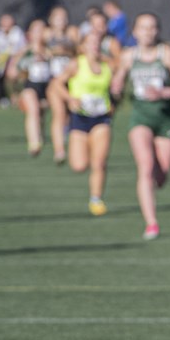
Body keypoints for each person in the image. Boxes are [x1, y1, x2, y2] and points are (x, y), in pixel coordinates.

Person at [111, 12, 170, 240]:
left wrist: (165, 92)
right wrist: (116, 85)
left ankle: (153, 198)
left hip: (165, 119)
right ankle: (151, 223)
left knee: (161, 177)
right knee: (145, 167)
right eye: (143, 28)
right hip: (140, 119)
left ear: (158, 30)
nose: (148, 32)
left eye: (152, 27)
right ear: (135, 32)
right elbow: (117, 80)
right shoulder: (128, 56)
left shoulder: (166, 54)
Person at [49, 31, 114, 216]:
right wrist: (70, 98)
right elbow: (56, 84)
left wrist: (113, 102)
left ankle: (96, 199)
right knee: (79, 165)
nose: (94, 45)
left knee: (99, 162)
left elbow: (115, 87)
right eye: (90, 42)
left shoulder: (107, 65)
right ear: (83, 46)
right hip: (80, 118)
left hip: (101, 117)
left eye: (97, 42)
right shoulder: (77, 64)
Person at [6, 19, 51, 157]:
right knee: (33, 110)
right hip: (30, 86)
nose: (39, 34)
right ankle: (34, 143)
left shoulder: (51, 51)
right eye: (36, 30)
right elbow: (11, 73)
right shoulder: (24, 52)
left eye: (42, 30)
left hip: (48, 88)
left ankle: (39, 135)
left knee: (41, 112)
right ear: (30, 34)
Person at [44, 5, 79, 164]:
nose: (61, 20)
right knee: (58, 113)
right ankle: (59, 150)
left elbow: (79, 50)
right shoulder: (46, 33)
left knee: (71, 114)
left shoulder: (72, 32)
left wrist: (63, 50)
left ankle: (71, 144)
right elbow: (39, 49)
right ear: (51, 19)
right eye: (57, 17)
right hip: (54, 80)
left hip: (72, 80)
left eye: (64, 17)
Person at [0, 12, 26, 107]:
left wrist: (13, 61)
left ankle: (17, 96)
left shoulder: (17, 32)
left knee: (14, 74)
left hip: (15, 59)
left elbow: (21, 49)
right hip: (1, 60)